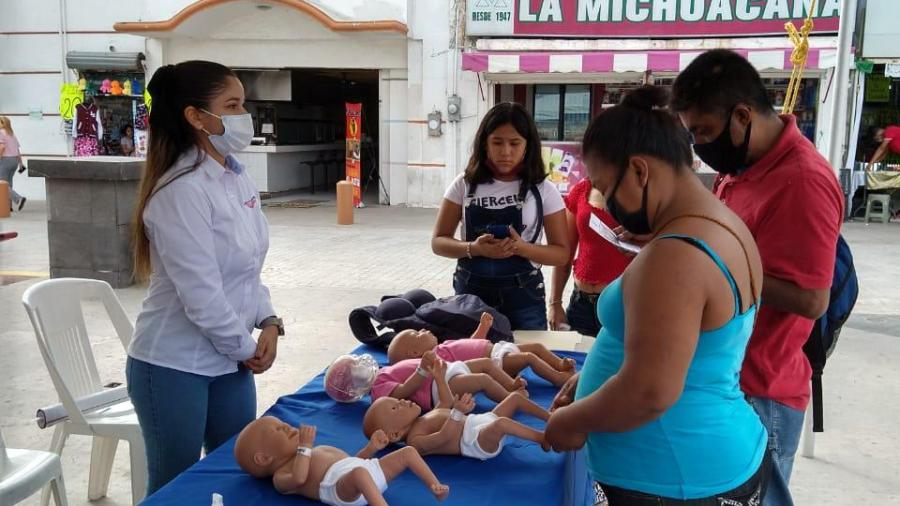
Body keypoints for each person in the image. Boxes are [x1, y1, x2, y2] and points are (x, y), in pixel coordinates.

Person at [544, 85, 770, 506]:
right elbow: (679, 349)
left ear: (640, 171)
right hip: (703, 458)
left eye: (607, 187)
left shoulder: (674, 257)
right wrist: (594, 378)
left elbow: (650, 391)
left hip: (673, 478)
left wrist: (572, 421)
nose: (608, 202)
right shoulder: (723, 224)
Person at [671, 49, 844, 506]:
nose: (700, 145)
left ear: (742, 116)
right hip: (725, 376)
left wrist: (714, 265)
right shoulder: (741, 169)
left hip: (762, 389)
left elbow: (811, 299)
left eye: (704, 132)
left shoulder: (804, 181)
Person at [127, 60, 284, 495]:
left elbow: (248, 268)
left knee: (241, 470)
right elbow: (203, 296)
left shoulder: (236, 176)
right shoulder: (180, 191)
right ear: (196, 117)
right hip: (173, 365)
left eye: (243, 104)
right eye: (231, 105)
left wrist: (270, 321)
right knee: (175, 487)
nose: (243, 116)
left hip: (231, 358)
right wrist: (249, 348)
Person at [432, 102, 569, 330]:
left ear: (527, 146)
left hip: (524, 296)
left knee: (526, 360)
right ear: (485, 143)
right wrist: (473, 249)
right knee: (473, 361)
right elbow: (438, 242)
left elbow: (562, 254)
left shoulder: (544, 190)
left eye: (515, 143)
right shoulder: (464, 185)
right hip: (471, 295)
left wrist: (521, 248)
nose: (506, 152)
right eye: (497, 142)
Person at [234, 418, 449, 506]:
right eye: (279, 430)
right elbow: (299, 478)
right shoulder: (281, 475)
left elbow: (351, 462)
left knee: (408, 452)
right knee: (359, 475)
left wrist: (371, 449)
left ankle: (435, 486)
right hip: (341, 491)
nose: (288, 427)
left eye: (283, 423)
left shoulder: (314, 450)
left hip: (363, 472)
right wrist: (304, 447)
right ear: (264, 458)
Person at [364, 358, 547, 460]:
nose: (403, 400)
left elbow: (445, 400)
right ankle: (542, 438)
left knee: (514, 398)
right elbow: (443, 437)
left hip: (481, 421)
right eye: (395, 407)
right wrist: (457, 413)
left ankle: (550, 417)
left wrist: (440, 378)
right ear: (395, 434)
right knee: (502, 424)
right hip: (476, 442)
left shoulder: (426, 418)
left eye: (398, 400)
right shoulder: (415, 442)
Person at [387, 312, 576, 386]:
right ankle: (557, 378)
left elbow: (470, 344)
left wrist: (482, 328)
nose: (423, 330)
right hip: (497, 362)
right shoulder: (437, 360)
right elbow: (464, 366)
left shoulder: (443, 347)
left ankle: (559, 364)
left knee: (536, 347)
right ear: (415, 354)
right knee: (529, 357)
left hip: (498, 349)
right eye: (417, 334)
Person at [548, 178, 632, 336]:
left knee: (617, 360)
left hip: (621, 306)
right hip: (581, 304)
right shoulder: (582, 188)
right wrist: (555, 303)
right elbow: (564, 253)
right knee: (575, 359)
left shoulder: (643, 192)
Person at [0, 116, 26, 211]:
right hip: (14, 161)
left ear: (3, 123)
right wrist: (20, 163)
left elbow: (2, 147)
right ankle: (8, 206)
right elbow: (17, 150)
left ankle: (18, 199)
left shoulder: (1, 133)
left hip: (5, 160)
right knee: (8, 184)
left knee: (1, 184)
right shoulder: (12, 134)